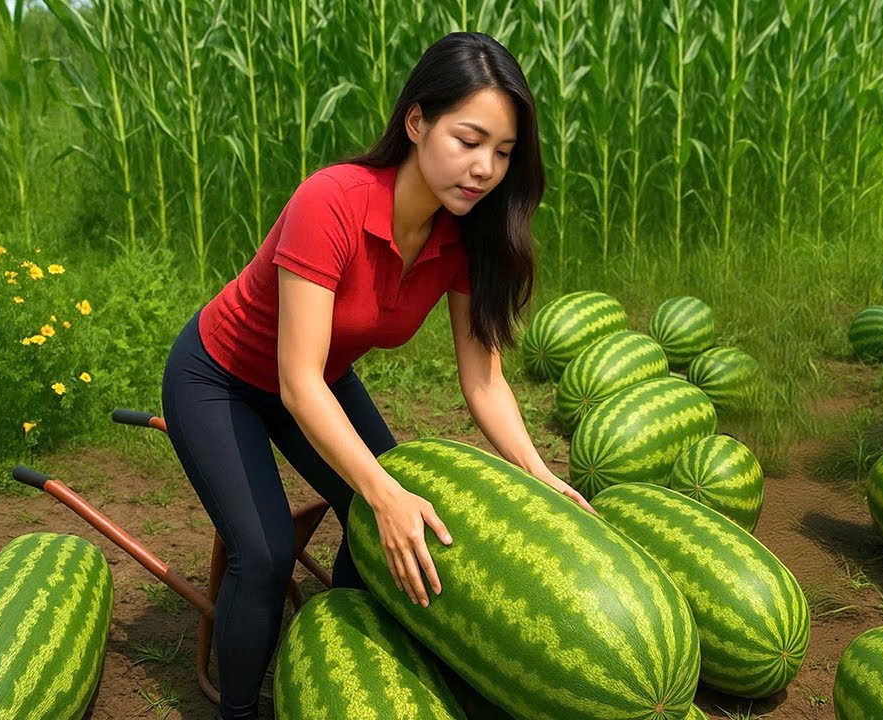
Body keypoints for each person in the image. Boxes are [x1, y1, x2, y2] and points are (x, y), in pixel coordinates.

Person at [159, 31, 595, 720]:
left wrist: (540, 475)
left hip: (318, 376)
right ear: (417, 121)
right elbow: (297, 382)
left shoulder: (467, 236)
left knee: (383, 518)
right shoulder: (331, 201)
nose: (484, 168)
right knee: (266, 553)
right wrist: (383, 491)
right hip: (221, 377)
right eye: (469, 140)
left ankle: (342, 646)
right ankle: (238, 710)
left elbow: (484, 381)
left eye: (504, 152)